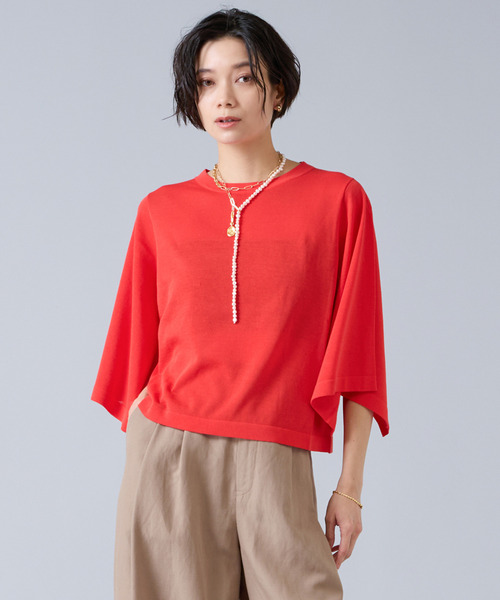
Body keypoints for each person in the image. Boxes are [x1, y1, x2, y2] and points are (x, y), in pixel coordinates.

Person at [92, 8, 389, 600]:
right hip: (172, 454)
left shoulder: (337, 200)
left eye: (244, 77)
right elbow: (132, 350)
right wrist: (150, 439)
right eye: (206, 82)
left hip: (277, 453)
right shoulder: (161, 211)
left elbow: (359, 354)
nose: (223, 97)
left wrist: (349, 487)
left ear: (277, 89)